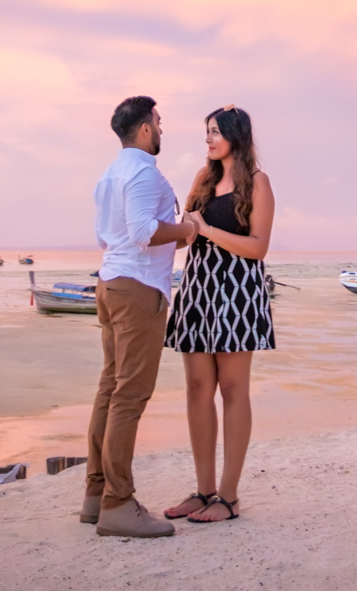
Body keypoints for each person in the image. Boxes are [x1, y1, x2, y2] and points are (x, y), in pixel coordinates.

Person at [83, 95, 198, 539]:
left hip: (110, 283)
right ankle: (117, 503)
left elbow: (106, 234)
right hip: (137, 290)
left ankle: (95, 496)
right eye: (159, 121)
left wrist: (177, 236)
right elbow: (144, 232)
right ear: (145, 129)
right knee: (129, 397)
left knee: (110, 389)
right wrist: (189, 228)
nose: (163, 129)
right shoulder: (144, 172)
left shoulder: (109, 175)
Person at [163, 105, 275, 524]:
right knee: (196, 388)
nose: (208, 140)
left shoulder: (258, 183)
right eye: (205, 133)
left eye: (214, 132)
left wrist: (206, 230)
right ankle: (204, 489)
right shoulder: (203, 179)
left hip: (237, 293)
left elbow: (258, 248)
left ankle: (228, 497)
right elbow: (183, 234)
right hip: (198, 289)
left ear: (235, 135)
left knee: (232, 390)